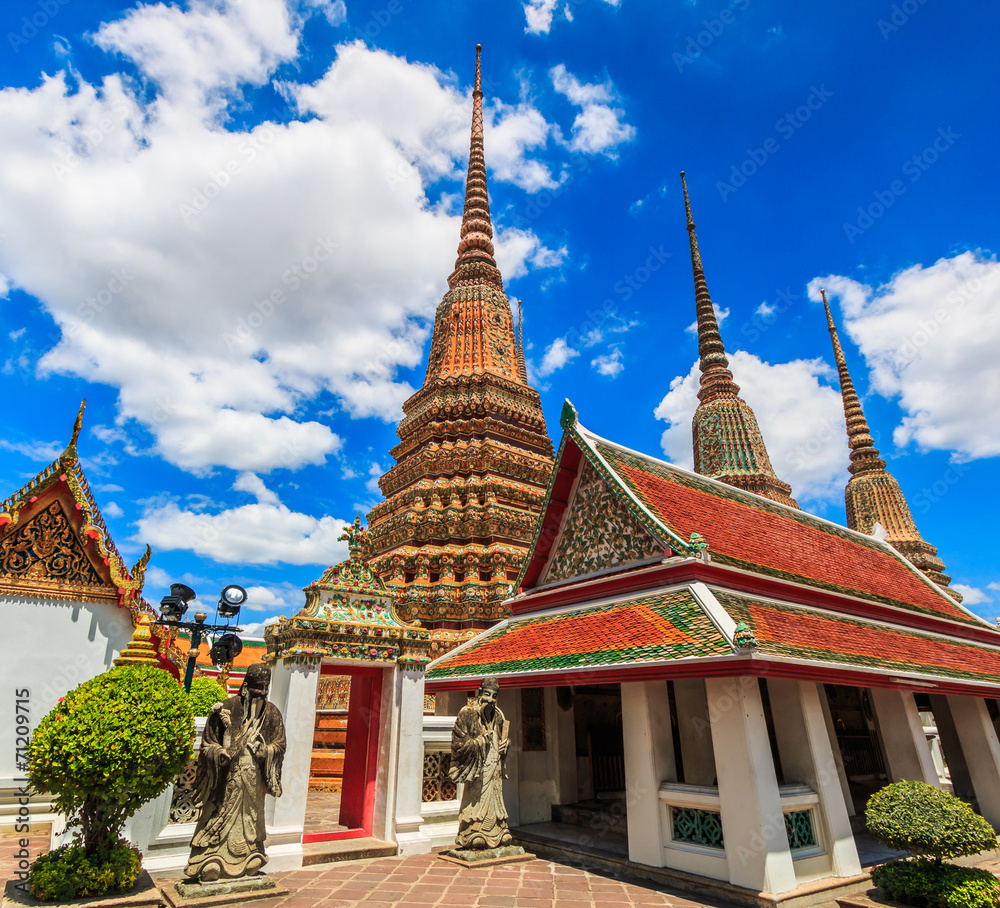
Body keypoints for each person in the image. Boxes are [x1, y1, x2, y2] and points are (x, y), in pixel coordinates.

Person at [184, 664, 286, 882]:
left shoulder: (272, 713)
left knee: (251, 821)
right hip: (227, 777)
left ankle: (252, 856)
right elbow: (208, 744)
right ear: (246, 686)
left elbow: (279, 744)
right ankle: (210, 859)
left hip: (254, 780)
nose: (260, 696)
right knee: (220, 814)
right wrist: (219, 753)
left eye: (264, 691)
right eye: (256, 691)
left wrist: (265, 751)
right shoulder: (227, 708)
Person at [448, 676, 513, 849]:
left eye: (494, 696)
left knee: (495, 800)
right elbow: (457, 742)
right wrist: (478, 742)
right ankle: (471, 831)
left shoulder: (498, 715)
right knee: (476, 800)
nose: (490, 700)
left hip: (494, 768)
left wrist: (505, 745)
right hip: (478, 768)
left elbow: (502, 738)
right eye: (487, 695)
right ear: (479, 693)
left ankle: (498, 831)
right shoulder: (467, 713)